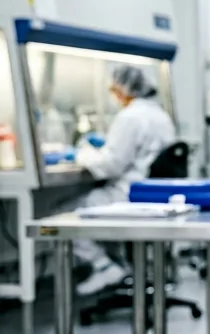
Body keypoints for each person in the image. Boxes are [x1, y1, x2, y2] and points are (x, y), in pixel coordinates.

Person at [74, 64, 176, 295]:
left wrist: (82, 154)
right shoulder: (159, 114)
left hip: (129, 194)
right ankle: (122, 267)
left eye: (113, 89)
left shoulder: (130, 117)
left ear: (122, 89)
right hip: (154, 193)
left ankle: (105, 267)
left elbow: (111, 165)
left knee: (66, 213)